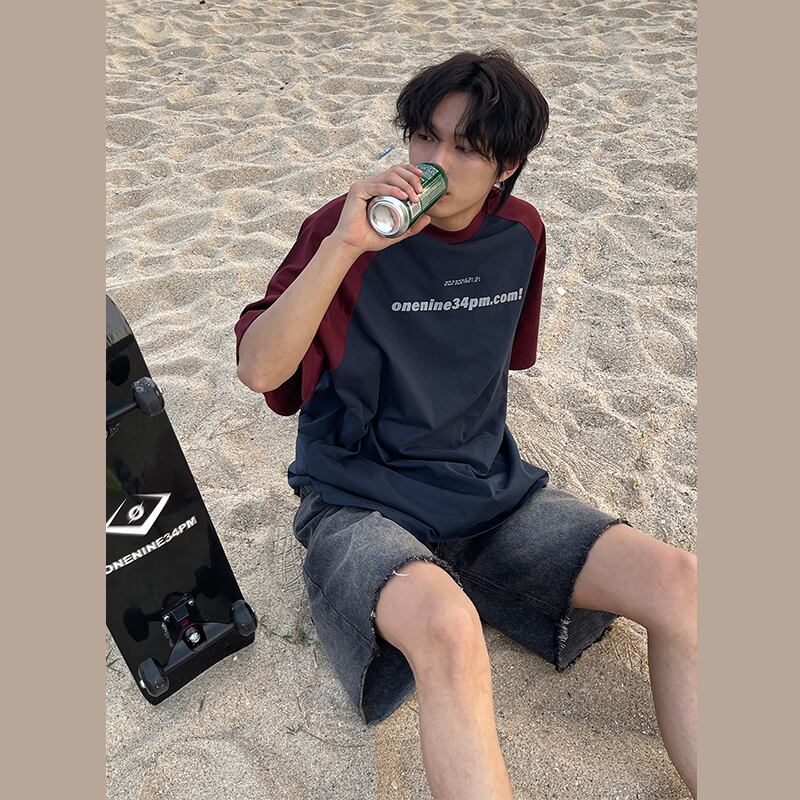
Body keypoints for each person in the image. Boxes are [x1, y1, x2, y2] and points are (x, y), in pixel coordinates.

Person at [234, 48, 697, 800]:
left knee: (681, 582)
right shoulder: (340, 230)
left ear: (506, 166)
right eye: (424, 136)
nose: (434, 161)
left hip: (490, 495)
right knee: (451, 631)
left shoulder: (520, 235)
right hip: (357, 503)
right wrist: (344, 246)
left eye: (464, 148)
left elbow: (492, 362)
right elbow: (260, 370)